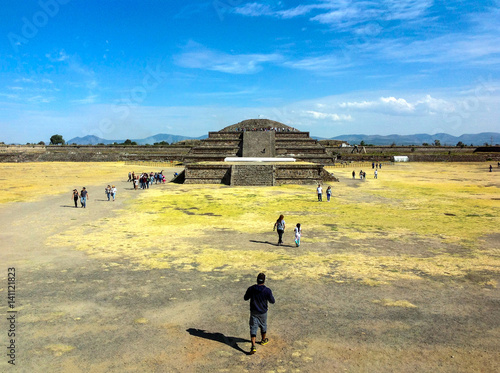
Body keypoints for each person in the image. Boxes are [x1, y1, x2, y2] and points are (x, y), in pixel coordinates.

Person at [244, 273, 275, 355]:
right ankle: (263, 340)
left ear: (257, 280)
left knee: (253, 327)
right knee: (263, 325)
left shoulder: (251, 289)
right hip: (263, 312)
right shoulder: (267, 290)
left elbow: (245, 298)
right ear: (264, 281)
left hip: (254, 312)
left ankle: (253, 346)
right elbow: (272, 301)